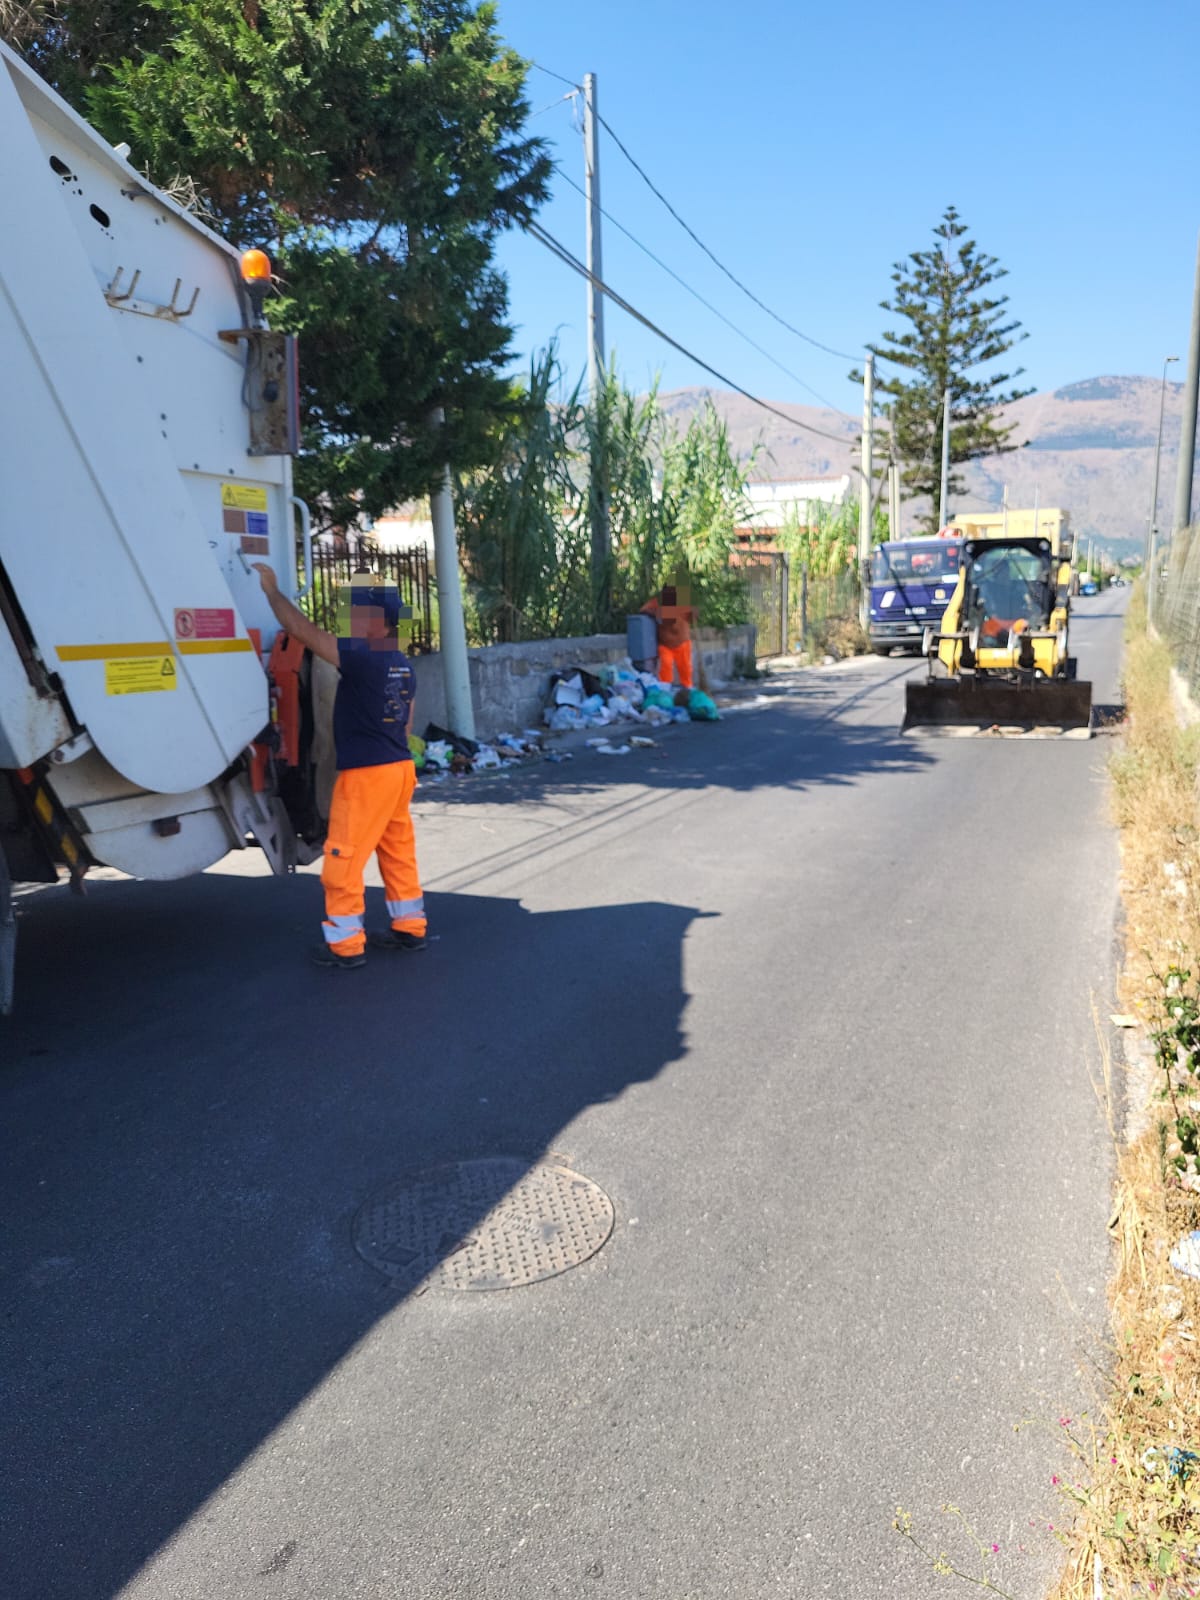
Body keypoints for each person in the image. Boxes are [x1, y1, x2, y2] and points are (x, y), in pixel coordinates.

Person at [253, 563, 427, 970]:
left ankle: (346, 945)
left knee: (343, 858)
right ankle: (410, 926)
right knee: (397, 850)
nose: (349, 621)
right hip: (399, 769)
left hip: (367, 775)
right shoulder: (403, 663)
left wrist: (272, 592)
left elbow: (302, 632)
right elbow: (407, 723)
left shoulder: (363, 655)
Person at [640, 582, 696, 689]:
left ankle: (688, 689)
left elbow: (692, 617)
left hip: (682, 642)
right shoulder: (657, 603)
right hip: (665, 644)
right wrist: (655, 613)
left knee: (685, 670)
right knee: (665, 666)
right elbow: (643, 610)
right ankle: (665, 689)